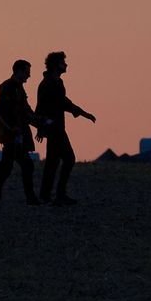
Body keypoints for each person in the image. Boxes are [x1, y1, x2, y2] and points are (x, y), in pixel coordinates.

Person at [35, 51, 95, 205]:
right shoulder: (48, 83)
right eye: (63, 62)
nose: (66, 65)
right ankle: (57, 194)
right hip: (54, 129)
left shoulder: (56, 82)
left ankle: (47, 195)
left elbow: (63, 102)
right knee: (68, 158)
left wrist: (82, 113)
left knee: (53, 162)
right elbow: (40, 107)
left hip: (57, 128)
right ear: (56, 65)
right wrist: (41, 127)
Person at [0, 59, 43, 205]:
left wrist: (38, 121)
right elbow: (5, 111)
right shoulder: (9, 88)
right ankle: (28, 198)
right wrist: (13, 128)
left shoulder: (17, 88)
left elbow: (25, 110)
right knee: (14, 166)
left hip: (16, 135)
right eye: (27, 72)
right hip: (12, 136)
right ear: (19, 71)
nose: (29, 76)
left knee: (13, 166)